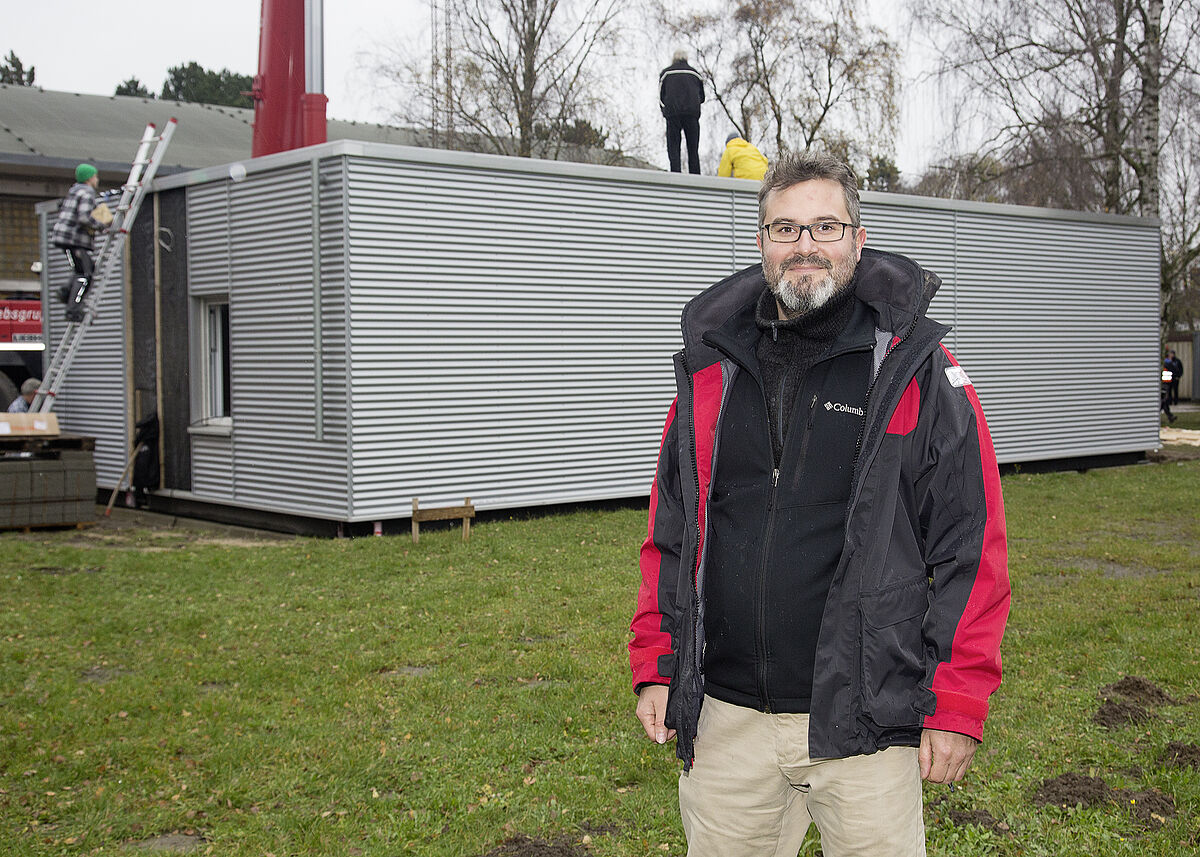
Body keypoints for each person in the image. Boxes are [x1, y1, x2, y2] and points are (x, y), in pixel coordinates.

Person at [629, 151, 1011, 856]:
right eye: (785, 228)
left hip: (865, 720)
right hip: (727, 719)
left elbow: (972, 542)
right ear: (761, 244)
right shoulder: (712, 370)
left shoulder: (913, 368)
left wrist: (956, 701)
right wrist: (658, 658)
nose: (804, 245)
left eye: (825, 226)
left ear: (858, 241)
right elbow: (671, 530)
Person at [51, 163, 109, 323]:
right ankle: (73, 310)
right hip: (74, 240)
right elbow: (83, 217)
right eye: (95, 176)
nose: (97, 179)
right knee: (85, 276)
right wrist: (100, 225)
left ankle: (66, 292)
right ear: (90, 178)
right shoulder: (87, 192)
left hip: (66, 238)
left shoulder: (74, 191)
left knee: (85, 269)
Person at [659, 50, 705, 174]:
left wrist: (665, 110)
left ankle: (675, 172)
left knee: (673, 146)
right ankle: (695, 174)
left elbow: (661, 96)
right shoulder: (695, 74)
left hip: (673, 113)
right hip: (692, 114)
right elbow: (702, 97)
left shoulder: (666, 73)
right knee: (693, 147)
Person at [1161, 356, 1177, 423]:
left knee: (1164, 402)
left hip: (1164, 385)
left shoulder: (1165, 365)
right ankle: (1170, 416)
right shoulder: (1168, 365)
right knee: (1163, 402)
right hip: (1165, 385)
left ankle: (1170, 416)